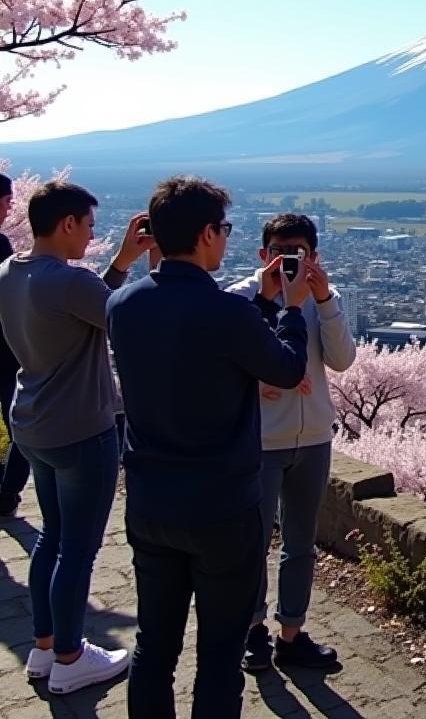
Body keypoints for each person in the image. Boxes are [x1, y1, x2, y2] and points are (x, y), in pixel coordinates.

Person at [106, 176, 309, 719]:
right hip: (222, 507)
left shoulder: (123, 306)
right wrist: (287, 308)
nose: (225, 239)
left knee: (155, 648)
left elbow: (197, 351)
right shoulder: (226, 312)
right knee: (219, 654)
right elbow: (285, 368)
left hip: (151, 503)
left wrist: (258, 307)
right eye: (223, 228)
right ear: (203, 235)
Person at [0, 181, 152, 694]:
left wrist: (121, 264)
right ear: (67, 223)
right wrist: (142, 267)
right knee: (79, 550)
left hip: (33, 422)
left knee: (51, 536)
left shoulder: (10, 272)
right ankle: (70, 657)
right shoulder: (68, 281)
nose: (91, 236)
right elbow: (125, 321)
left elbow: (88, 312)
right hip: (82, 428)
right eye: (87, 225)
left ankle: (44, 648)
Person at [227, 213, 356, 672]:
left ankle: (292, 634)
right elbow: (229, 365)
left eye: (298, 253)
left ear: (314, 257)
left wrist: (322, 301)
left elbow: (342, 361)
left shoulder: (326, 301)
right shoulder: (242, 299)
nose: (288, 262)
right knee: (251, 544)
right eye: (279, 252)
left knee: (301, 542)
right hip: (260, 441)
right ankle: (251, 631)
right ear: (263, 255)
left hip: (314, 438)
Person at [0, 172, 29, 518]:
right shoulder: (0, 246)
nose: (8, 211)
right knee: (19, 422)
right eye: (7, 203)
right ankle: (7, 493)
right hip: (6, 350)